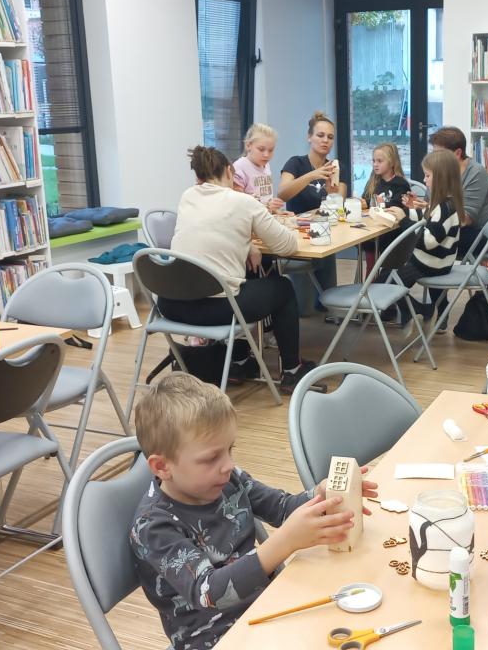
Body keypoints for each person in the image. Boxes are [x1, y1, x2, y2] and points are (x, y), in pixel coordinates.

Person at [129, 373, 377, 650]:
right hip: (213, 638)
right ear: (162, 467)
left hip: (267, 607)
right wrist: (285, 542)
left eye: (229, 449)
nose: (227, 464)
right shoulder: (154, 526)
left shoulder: (228, 479)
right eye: (211, 458)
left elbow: (282, 508)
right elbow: (208, 592)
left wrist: (322, 497)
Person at [166, 147, 316, 391]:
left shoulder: (187, 197)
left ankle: (240, 360)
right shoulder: (244, 202)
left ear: (198, 176)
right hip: (217, 308)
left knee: (245, 276)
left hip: (172, 305)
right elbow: (287, 246)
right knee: (283, 288)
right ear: (229, 171)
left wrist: (246, 244)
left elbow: (211, 234)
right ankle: (291, 370)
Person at [384, 149, 465, 325]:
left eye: (427, 176)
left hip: (430, 263)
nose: (424, 180)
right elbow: (426, 219)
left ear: (441, 178)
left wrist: (404, 220)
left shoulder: (444, 208)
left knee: (388, 283)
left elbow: (428, 241)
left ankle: (420, 309)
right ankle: (437, 309)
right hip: (439, 262)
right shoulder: (445, 203)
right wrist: (406, 212)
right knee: (392, 274)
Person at [278, 112, 346, 306]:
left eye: (330, 137)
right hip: (300, 238)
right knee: (304, 309)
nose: (325, 141)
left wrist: (332, 194)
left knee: (327, 304)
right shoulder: (295, 163)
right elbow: (282, 194)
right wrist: (311, 175)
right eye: (320, 135)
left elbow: (339, 205)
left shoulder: (335, 167)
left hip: (326, 234)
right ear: (309, 137)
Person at [428, 126, 488, 253]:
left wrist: (430, 211)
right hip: (451, 226)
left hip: (480, 233)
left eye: (439, 154)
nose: (435, 158)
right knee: (415, 234)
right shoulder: (440, 170)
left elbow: (465, 219)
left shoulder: (476, 172)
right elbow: (431, 204)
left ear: (458, 153)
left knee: (424, 239)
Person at [359, 142, 411, 267]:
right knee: (365, 240)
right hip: (373, 228)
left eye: (379, 161)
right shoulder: (373, 182)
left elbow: (397, 207)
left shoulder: (401, 184)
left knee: (371, 242)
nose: (375, 164)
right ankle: (372, 273)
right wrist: (362, 203)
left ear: (392, 163)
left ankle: (376, 273)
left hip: (391, 232)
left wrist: (378, 204)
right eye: (373, 161)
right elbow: (366, 200)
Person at [231, 122, 284, 213]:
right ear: (248, 146)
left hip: (264, 216)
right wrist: (267, 206)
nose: (266, 155)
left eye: (271, 150)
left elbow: (265, 198)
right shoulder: (240, 167)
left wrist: (277, 211)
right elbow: (238, 203)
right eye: (261, 149)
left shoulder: (266, 165)